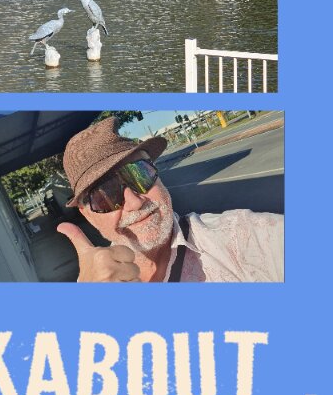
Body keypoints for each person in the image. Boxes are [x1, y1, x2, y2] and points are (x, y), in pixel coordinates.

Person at [56, 117, 283, 282]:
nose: (135, 202)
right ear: (88, 215)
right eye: (105, 196)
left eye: (140, 174)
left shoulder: (239, 237)